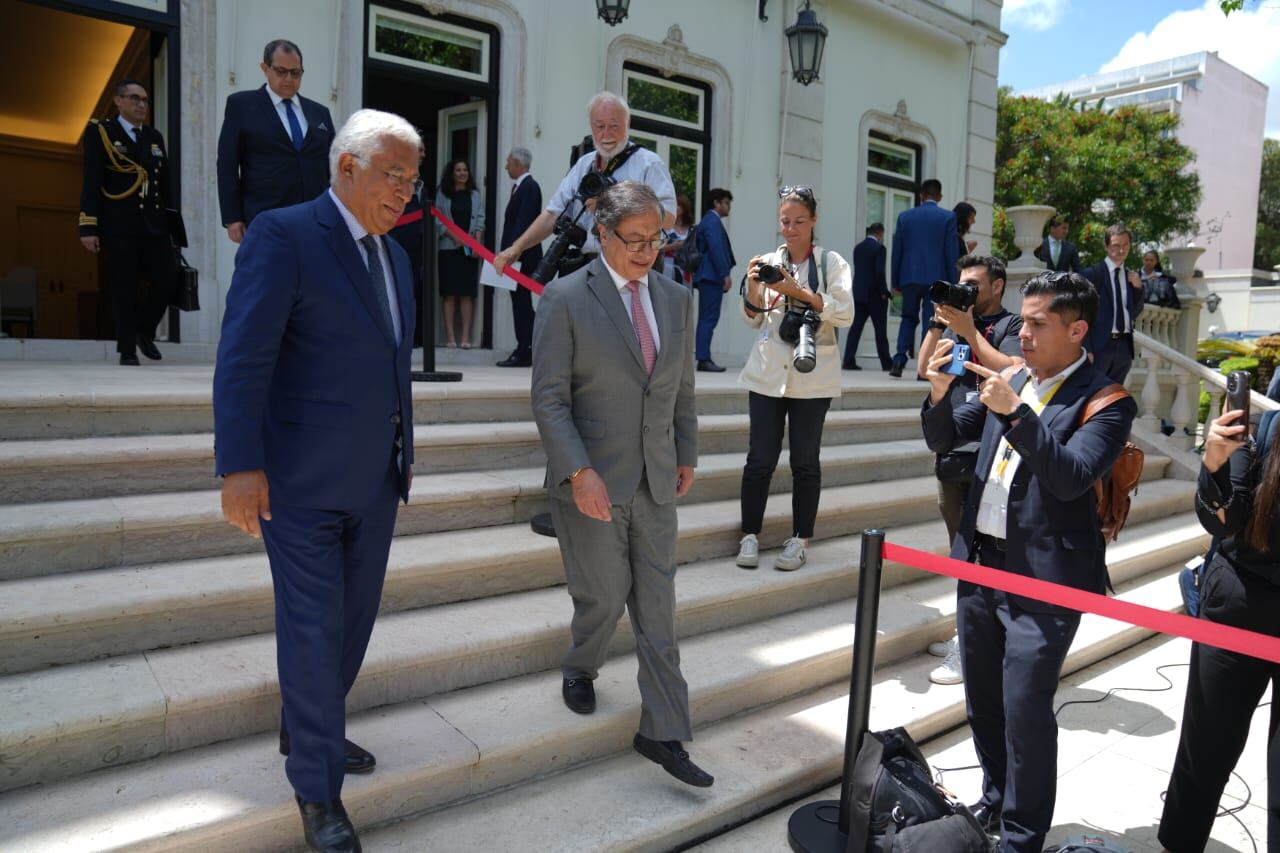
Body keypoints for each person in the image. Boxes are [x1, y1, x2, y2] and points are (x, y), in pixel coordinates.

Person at [213, 109, 420, 853]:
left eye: (411, 178)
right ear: (346, 167)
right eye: (392, 174)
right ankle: (317, 787)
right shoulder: (285, 234)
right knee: (313, 626)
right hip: (297, 481)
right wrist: (239, 465)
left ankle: (311, 724)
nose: (404, 189)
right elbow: (243, 356)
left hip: (374, 480)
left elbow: (392, 367)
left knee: (353, 625)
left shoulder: (395, 258)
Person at [921, 270, 1137, 852]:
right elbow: (945, 439)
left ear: (1078, 329)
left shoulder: (1107, 399)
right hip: (980, 565)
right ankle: (995, 799)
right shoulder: (1014, 377)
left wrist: (1018, 413)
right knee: (984, 701)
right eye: (1026, 320)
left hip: (1045, 580)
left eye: (1040, 324)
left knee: (1025, 709)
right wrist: (940, 393)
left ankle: (1023, 834)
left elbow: (1069, 478)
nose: (1025, 336)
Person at [530, 181, 713, 789]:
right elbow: (550, 400)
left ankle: (663, 730)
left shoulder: (675, 299)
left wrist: (685, 449)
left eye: (657, 238)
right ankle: (580, 665)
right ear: (602, 234)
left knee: (658, 608)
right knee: (605, 596)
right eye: (634, 240)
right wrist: (577, 472)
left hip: (657, 479)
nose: (647, 252)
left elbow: (681, 387)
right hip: (592, 481)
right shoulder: (564, 298)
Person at [1157, 405, 1280, 853]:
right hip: (1240, 601)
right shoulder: (1272, 417)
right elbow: (1220, 519)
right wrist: (1214, 463)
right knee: (1204, 752)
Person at [915, 254, 1024, 686]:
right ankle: (967, 629)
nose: (966, 292)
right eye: (961, 284)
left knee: (987, 557)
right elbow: (926, 369)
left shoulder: (1015, 327)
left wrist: (969, 331)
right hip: (953, 445)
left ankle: (974, 643)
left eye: (974, 285)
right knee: (961, 554)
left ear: (997, 286)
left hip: (991, 454)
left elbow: (1013, 369)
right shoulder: (957, 325)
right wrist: (940, 324)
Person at [735, 186, 854, 572]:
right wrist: (754, 284)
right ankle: (749, 535)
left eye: (799, 221)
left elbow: (845, 313)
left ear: (814, 221)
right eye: (785, 221)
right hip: (768, 372)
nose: (790, 228)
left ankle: (800, 540)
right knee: (759, 460)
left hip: (812, 372)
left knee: (805, 461)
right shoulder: (769, 260)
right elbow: (752, 318)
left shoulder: (832, 263)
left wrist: (794, 289)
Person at [492, 91, 676, 277]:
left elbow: (668, 219)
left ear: (627, 124)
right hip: (589, 267)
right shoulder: (584, 164)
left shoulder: (648, 164)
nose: (606, 134)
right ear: (591, 126)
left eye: (614, 125)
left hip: (632, 267)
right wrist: (516, 248)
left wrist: (610, 206)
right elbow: (551, 214)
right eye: (599, 126)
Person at [78, 79, 177, 366]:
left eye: (145, 100)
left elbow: (165, 185)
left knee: (166, 280)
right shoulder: (102, 133)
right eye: (134, 98)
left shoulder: (155, 137)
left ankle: (143, 331)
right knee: (124, 286)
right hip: (119, 224)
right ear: (118, 101)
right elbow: (91, 181)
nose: (141, 105)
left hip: (155, 224)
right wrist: (88, 227)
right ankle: (127, 349)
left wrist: (173, 226)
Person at [216, 39, 335, 244]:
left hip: (316, 221)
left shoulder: (320, 113)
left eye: (295, 73)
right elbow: (227, 163)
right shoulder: (242, 106)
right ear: (265, 68)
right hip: (266, 220)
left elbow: (333, 166)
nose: (288, 78)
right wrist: (233, 217)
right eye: (281, 71)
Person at [890, 179, 960, 377]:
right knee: (932, 322)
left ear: (921, 195)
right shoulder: (948, 217)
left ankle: (899, 360)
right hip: (936, 280)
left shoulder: (905, 217)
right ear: (939, 196)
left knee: (907, 318)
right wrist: (952, 284)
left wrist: (895, 281)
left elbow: (897, 252)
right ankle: (923, 367)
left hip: (909, 277)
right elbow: (950, 253)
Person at [496, 147, 542, 367]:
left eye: (508, 162)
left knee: (522, 303)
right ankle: (525, 347)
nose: (506, 167)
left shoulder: (529, 187)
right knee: (519, 302)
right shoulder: (521, 187)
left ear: (517, 163)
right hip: (516, 256)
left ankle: (526, 350)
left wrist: (512, 252)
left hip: (522, 256)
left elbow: (523, 223)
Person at [1082, 223, 1145, 384]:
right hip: (1099, 346)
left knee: (1114, 397)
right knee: (1093, 394)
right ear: (1106, 246)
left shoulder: (1131, 276)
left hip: (1124, 347)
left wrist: (1138, 289)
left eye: (1125, 245)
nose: (1121, 250)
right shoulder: (1093, 274)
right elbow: (1082, 313)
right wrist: (1086, 348)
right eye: (1116, 246)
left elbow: (1134, 312)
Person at [434, 159, 484, 349]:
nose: (462, 173)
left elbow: (480, 218)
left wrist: (477, 242)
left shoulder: (475, 195)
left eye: (465, 170)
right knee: (449, 295)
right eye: (458, 170)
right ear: (452, 173)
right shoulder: (443, 194)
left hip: (469, 251)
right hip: (449, 249)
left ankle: (465, 338)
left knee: (467, 294)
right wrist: (453, 237)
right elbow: (438, 220)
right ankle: (450, 338)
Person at [692, 188, 736, 372]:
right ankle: (703, 359)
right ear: (716, 203)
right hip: (711, 277)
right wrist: (724, 273)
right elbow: (716, 249)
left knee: (707, 318)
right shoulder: (712, 221)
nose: (729, 207)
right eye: (726, 202)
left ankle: (704, 357)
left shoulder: (710, 220)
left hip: (709, 276)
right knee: (708, 318)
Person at [843, 223, 892, 371]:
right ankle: (886, 362)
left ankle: (848, 360)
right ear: (880, 233)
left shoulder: (858, 248)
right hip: (875, 295)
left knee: (855, 328)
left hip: (859, 294)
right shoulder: (879, 249)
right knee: (880, 330)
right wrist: (884, 291)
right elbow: (879, 272)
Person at [659, 194, 694, 282]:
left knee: (684, 293)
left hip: (685, 268)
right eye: (675, 205)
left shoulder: (691, 229)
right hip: (668, 266)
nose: (676, 208)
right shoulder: (667, 227)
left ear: (685, 208)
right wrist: (674, 246)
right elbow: (658, 248)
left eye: (679, 205)